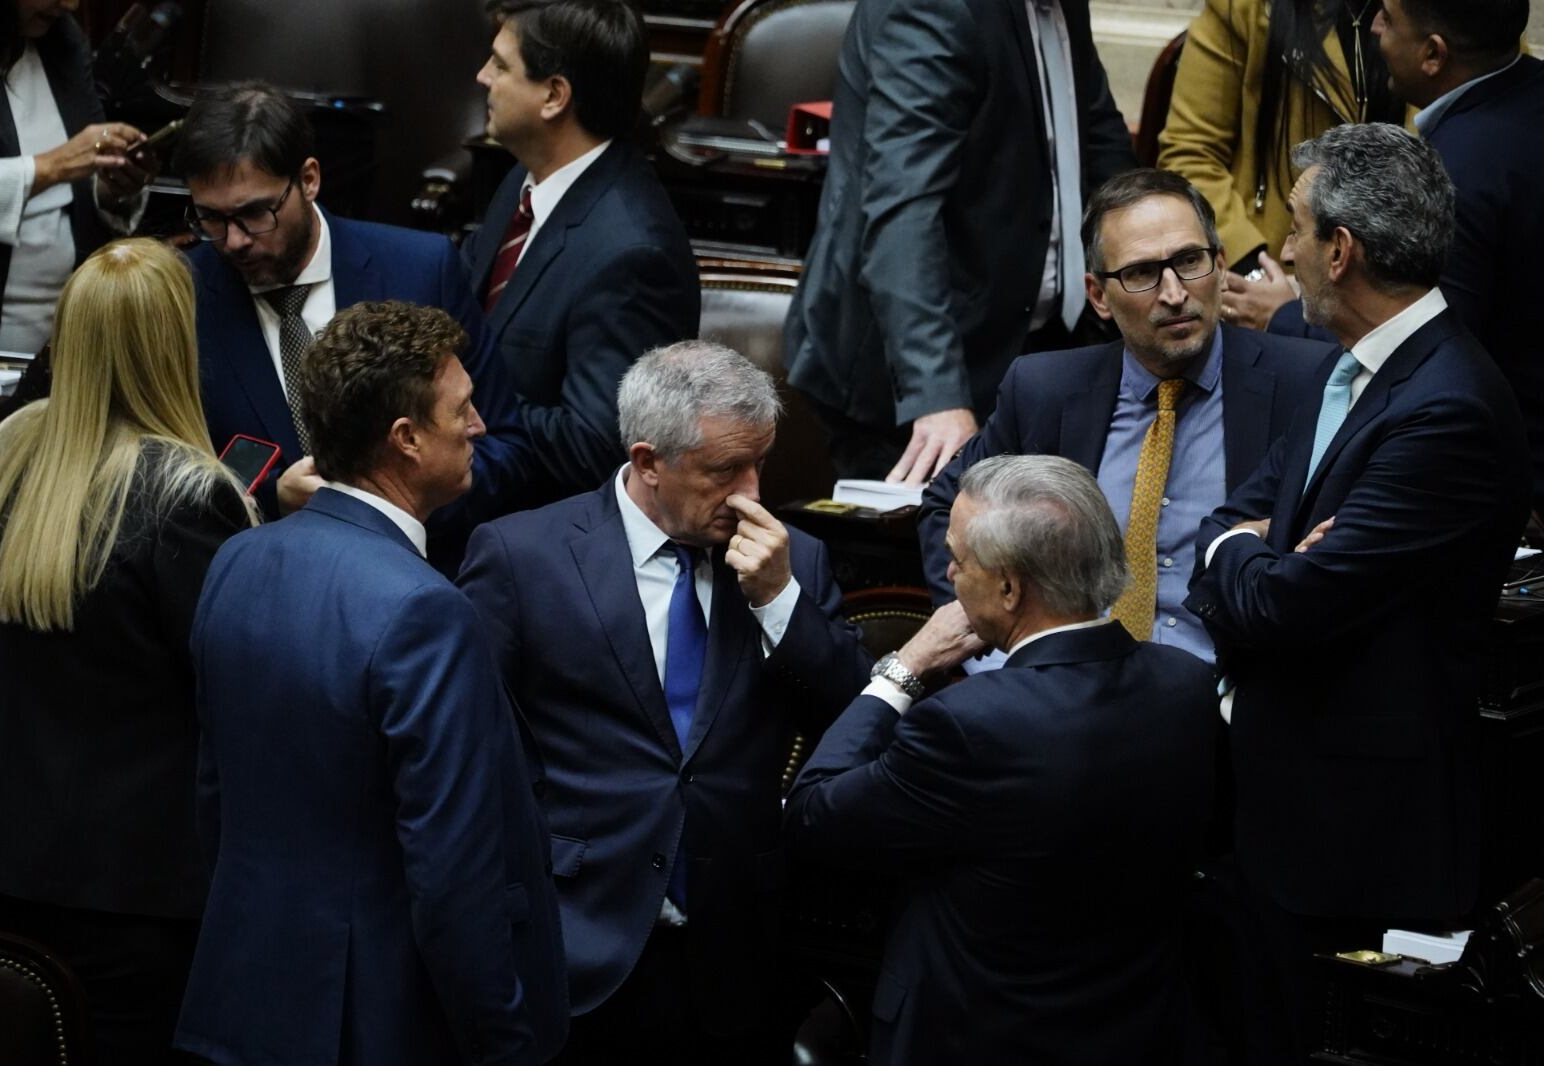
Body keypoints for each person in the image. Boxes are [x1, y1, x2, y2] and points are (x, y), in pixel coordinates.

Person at [1184, 122, 1530, 1065]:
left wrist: (1246, 561)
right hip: (1279, 807)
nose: (1282, 248)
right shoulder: (1347, 358)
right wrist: (1250, 549)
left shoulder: (1445, 409)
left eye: (1293, 227)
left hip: (1355, 843)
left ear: (1340, 251)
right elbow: (1241, 518)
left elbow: (1282, 609)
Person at [459, 341, 872, 1063]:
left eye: (759, 464)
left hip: (736, 943)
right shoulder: (522, 556)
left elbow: (849, 725)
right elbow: (477, 752)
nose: (750, 492)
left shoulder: (792, 560)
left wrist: (780, 603)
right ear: (649, 462)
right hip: (577, 937)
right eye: (723, 471)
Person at [177, 301, 568, 1065]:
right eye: (462, 408)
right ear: (406, 439)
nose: (481, 426)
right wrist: (505, 1043)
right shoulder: (425, 611)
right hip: (375, 1018)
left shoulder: (238, 561)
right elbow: (454, 877)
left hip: (245, 994)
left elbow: (215, 800)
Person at [785, 454, 1219, 1065]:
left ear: (1010, 587)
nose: (948, 573)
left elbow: (813, 812)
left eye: (959, 560)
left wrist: (903, 670)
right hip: (1140, 1031)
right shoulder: (1186, 685)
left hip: (979, 1036)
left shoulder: (971, 724)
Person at [0, 238, 253, 1064]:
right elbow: (228, 679)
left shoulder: (9, 455)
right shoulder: (190, 494)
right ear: (174, 345)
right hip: (133, 878)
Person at [918, 169, 1333, 664]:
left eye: (1190, 261)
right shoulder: (1044, 391)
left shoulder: (1305, 383)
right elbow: (948, 507)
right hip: (1071, 699)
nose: (1175, 293)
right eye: (1141, 273)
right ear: (1098, 295)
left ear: (1221, 268)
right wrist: (1004, 660)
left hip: (1235, 702)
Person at [175, 81, 530, 570]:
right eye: (211, 219)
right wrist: (268, 501)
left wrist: (391, 496)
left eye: (255, 213)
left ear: (309, 179)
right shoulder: (180, 297)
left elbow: (506, 452)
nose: (234, 241)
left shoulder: (420, 270)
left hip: (412, 581)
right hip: (261, 585)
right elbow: (165, 477)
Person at [782, 0, 1136, 484]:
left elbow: (1095, 137)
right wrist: (938, 397)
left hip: (1027, 350)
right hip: (909, 381)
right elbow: (904, 209)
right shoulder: (930, 8)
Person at [464, 0, 699, 505]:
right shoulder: (523, 180)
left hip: (543, 541)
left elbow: (594, 445)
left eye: (501, 65)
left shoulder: (633, 254)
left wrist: (456, 405)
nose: (483, 77)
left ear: (554, 95)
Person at [1367, 0, 1543, 517]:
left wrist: (1289, 313)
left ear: (1432, 54)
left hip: (1512, 490)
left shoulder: (1452, 173)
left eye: (1388, 16)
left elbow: (1435, 355)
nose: (1374, 26)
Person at [1157, 0, 1407, 329]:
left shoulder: (1418, 16)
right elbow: (1190, 154)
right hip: (1270, 267)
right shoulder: (1244, 9)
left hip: (1390, 287)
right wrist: (1258, 274)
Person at [0, 0, 157, 355]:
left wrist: (113, 188)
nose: (71, 3)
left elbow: (86, 171)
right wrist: (48, 168)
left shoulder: (62, 40)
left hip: (72, 340)